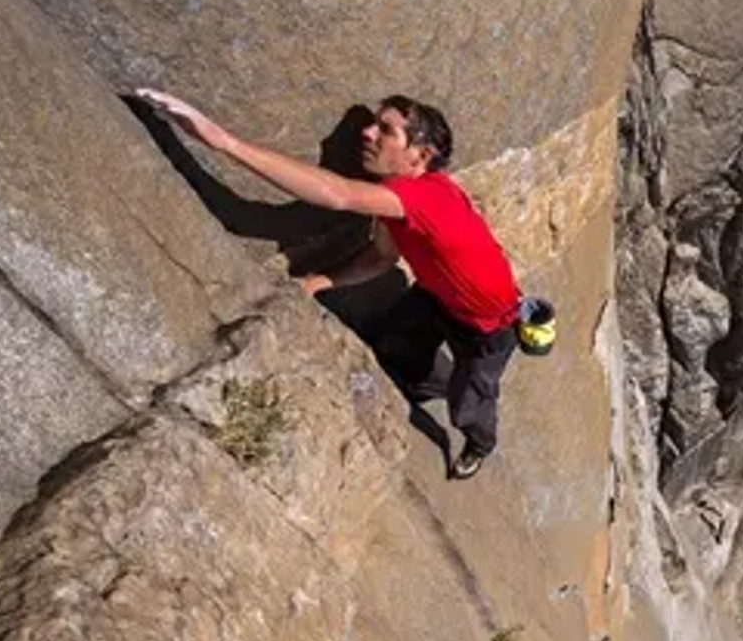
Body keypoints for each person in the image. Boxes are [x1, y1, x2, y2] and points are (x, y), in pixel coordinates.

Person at [137, 89, 521, 480]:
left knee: (468, 403)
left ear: (419, 156)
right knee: (398, 348)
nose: (368, 133)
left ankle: (479, 442)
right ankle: (432, 383)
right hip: (436, 294)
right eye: (373, 123)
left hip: (487, 325)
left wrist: (222, 141)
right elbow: (382, 257)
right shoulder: (395, 199)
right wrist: (316, 283)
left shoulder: (423, 198)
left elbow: (337, 195)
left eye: (385, 130)